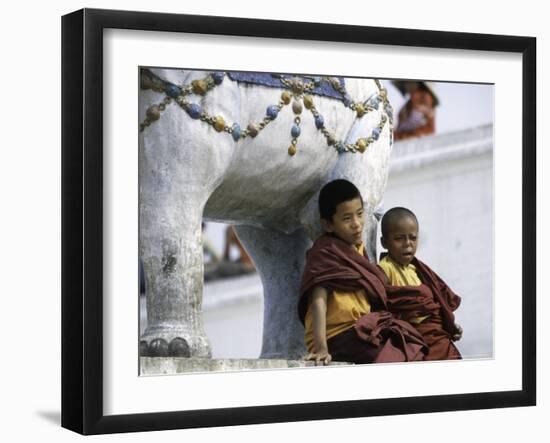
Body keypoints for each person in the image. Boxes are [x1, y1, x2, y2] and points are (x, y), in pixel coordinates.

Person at [298, 180, 428, 366]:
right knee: (398, 356)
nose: (357, 224)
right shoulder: (325, 253)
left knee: (413, 344)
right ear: (328, 225)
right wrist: (321, 348)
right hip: (337, 335)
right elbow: (318, 301)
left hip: (361, 330)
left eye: (360, 214)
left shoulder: (357, 250)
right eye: (347, 218)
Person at [378, 207, 463, 361]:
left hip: (435, 335)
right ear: (384, 242)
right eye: (399, 238)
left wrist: (450, 325)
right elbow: (383, 305)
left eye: (413, 238)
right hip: (412, 336)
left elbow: (436, 306)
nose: (407, 244)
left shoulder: (418, 270)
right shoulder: (385, 268)